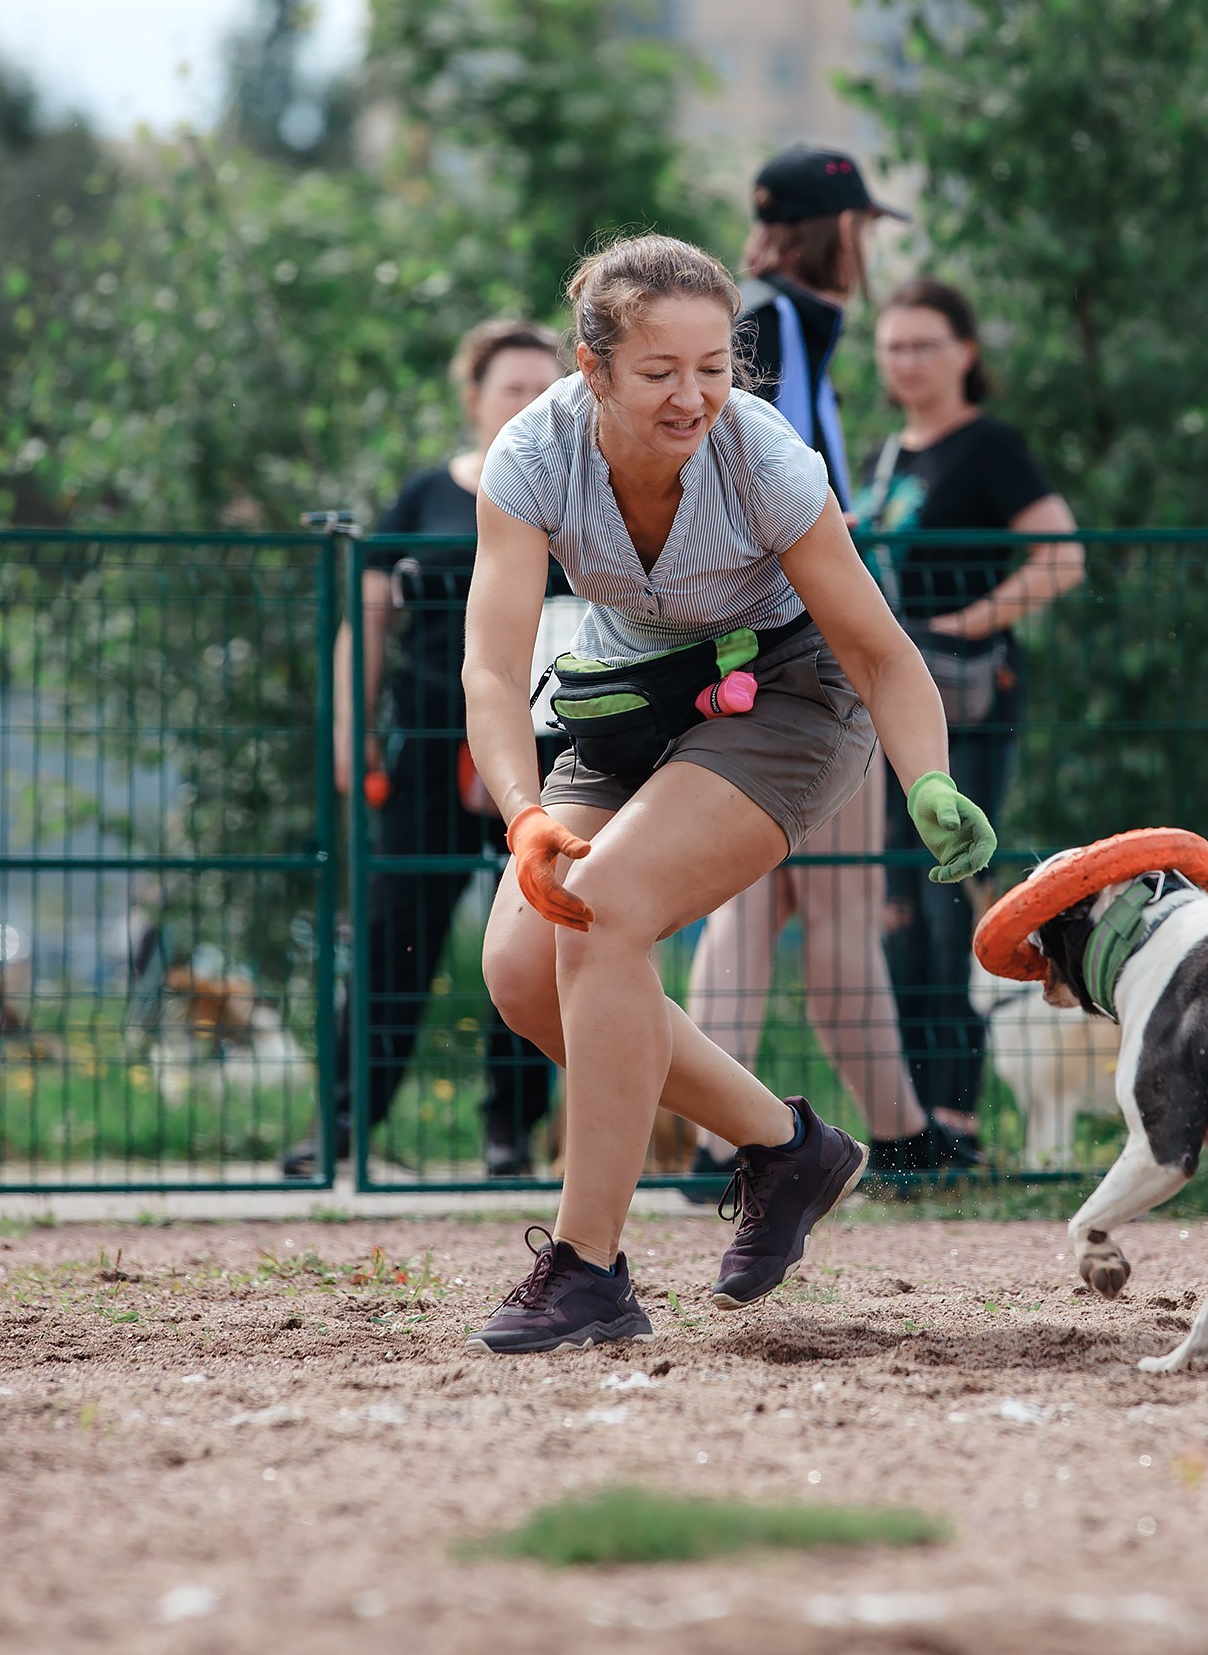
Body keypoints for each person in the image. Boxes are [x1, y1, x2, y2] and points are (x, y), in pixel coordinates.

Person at [462, 234, 994, 1352]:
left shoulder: (766, 460)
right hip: (629, 699)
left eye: (714, 367)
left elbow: (886, 657)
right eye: (659, 372)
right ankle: (787, 1146)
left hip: (793, 696)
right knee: (520, 969)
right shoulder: (532, 455)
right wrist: (524, 816)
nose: (693, 396)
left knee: (602, 913)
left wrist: (929, 779)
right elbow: (494, 670)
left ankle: (588, 1270)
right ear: (593, 368)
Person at [687, 144, 963, 1173]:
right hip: (803, 643)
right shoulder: (783, 325)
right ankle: (902, 1143)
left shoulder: (749, 318)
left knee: (747, 908)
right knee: (839, 899)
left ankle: (725, 1146)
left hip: (735, 648)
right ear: (841, 231)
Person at [280, 319, 565, 1180]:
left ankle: (509, 1135)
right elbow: (366, 622)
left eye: (545, 388)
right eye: (511, 387)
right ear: (474, 400)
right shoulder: (424, 496)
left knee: (534, 936)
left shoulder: (579, 495)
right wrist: (349, 732)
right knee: (394, 935)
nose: (528, 403)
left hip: (550, 749)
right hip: (431, 744)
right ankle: (341, 1128)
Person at [858, 277, 1083, 1149]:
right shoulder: (886, 457)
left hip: (969, 699)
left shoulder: (988, 447)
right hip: (889, 702)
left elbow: (1060, 556)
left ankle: (952, 1112)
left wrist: (965, 624)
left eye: (923, 344)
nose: (906, 361)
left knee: (947, 885)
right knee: (891, 903)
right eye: (893, 346)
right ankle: (907, 1116)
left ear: (966, 352)